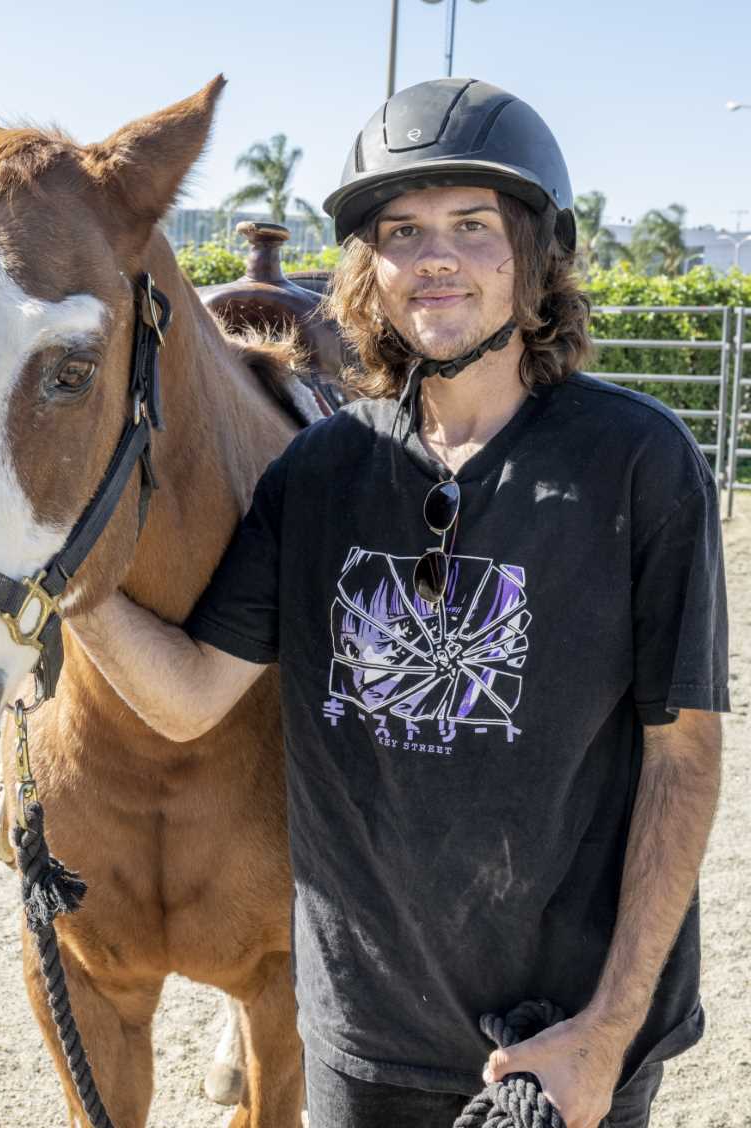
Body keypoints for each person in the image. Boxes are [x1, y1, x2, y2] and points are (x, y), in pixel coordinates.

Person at [69, 78, 728, 1128]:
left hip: (553, 1044)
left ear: (537, 254)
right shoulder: (319, 474)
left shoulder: (637, 464)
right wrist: (69, 579)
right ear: (367, 268)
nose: (434, 258)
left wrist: (603, 1035)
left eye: (472, 227)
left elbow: (682, 757)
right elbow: (190, 696)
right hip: (359, 1046)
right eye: (400, 229)